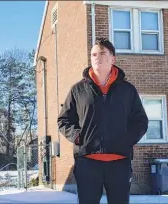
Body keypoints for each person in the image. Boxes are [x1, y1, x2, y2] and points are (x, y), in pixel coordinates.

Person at [58, 38, 148, 204]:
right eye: (93, 54)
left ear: (113, 59)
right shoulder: (78, 90)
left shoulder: (127, 90)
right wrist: (79, 137)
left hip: (119, 161)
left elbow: (140, 120)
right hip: (87, 162)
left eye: (102, 53)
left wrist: (128, 140)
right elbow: (64, 120)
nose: (97, 57)